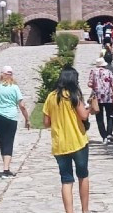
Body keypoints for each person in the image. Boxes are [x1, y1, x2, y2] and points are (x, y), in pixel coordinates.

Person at [43, 68, 91, 213]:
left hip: (60, 144)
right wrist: (89, 108)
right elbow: (83, 115)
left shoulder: (51, 97)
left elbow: (46, 122)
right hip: (77, 142)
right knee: (83, 176)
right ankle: (85, 210)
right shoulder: (73, 95)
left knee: (66, 180)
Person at [0, 65, 30, 178]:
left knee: (2, 141)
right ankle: (6, 169)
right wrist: (27, 119)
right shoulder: (14, 87)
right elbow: (22, 105)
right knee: (9, 141)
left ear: (1, 74)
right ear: (11, 76)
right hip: (10, 117)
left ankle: (5, 165)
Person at [88, 58, 113, 144]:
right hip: (109, 96)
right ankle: (109, 134)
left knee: (99, 117)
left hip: (97, 97)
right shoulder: (108, 72)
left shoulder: (93, 71)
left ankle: (104, 136)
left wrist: (97, 85)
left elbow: (90, 84)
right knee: (110, 115)